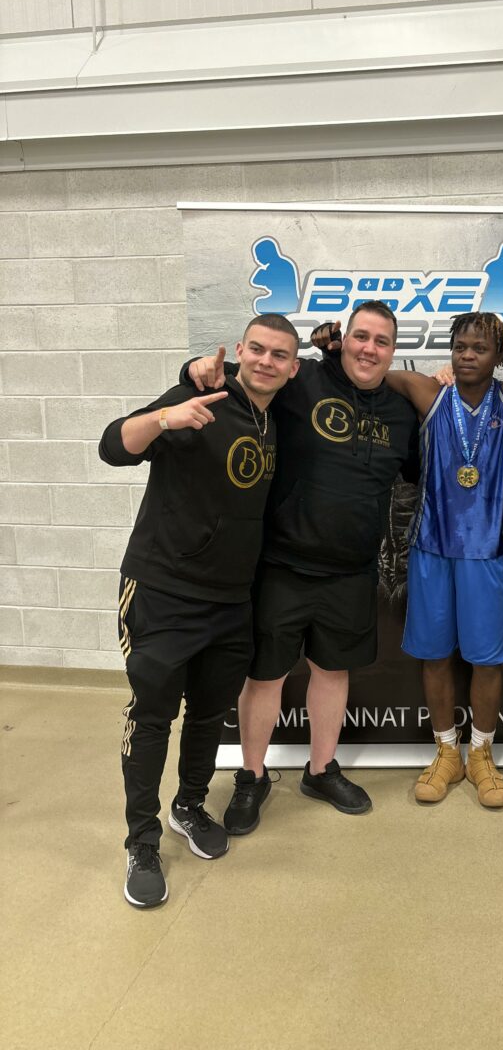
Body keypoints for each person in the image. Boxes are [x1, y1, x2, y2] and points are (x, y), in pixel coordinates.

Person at [312, 313, 503, 811]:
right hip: (431, 549)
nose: (466, 355)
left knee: (485, 659)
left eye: (479, 348)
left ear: (499, 355)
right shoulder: (426, 392)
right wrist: (333, 346)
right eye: (459, 346)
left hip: (486, 553)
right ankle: (446, 753)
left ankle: (481, 755)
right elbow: (367, 369)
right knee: (435, 656)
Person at [184, 301, 420, 828]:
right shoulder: (302, 379)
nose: (369, 348)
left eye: (381, 341)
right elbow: (248, 373)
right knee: (265, 676)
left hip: (352, 569)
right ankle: (252, 775)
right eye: (361, 336)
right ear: (345, 338)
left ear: (393, 351)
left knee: (332, 671)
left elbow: (422, 470)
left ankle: (321, 769)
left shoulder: (401, 412)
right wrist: (192, 369)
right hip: (281, 563)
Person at [99, 314, 300, 908]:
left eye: (279, 355)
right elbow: (114, 445)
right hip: (161, 590)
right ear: (239, 351)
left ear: (292, 367)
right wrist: (167, 414)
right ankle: (141, 840)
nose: (266, 361)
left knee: (210, 712)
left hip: (229, 599)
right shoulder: (199, 394)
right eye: (256, 350)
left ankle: (188, 805)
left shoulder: (273, 415)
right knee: (153, 714)